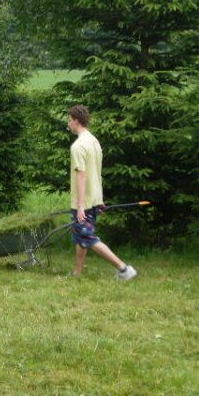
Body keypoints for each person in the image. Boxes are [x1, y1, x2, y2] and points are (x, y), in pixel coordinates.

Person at [67, 104, 137, 280]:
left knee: (88, 237)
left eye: (70, 120)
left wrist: (80, 206)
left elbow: (82, 175)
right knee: (80, 235)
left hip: (83, 202)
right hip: (93, 199)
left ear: (76, 121)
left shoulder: (78, 146)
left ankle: (124, 269)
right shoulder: (94, 141)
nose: (68, 124)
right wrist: (99, 199)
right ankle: (77, 272)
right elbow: (96, 172)